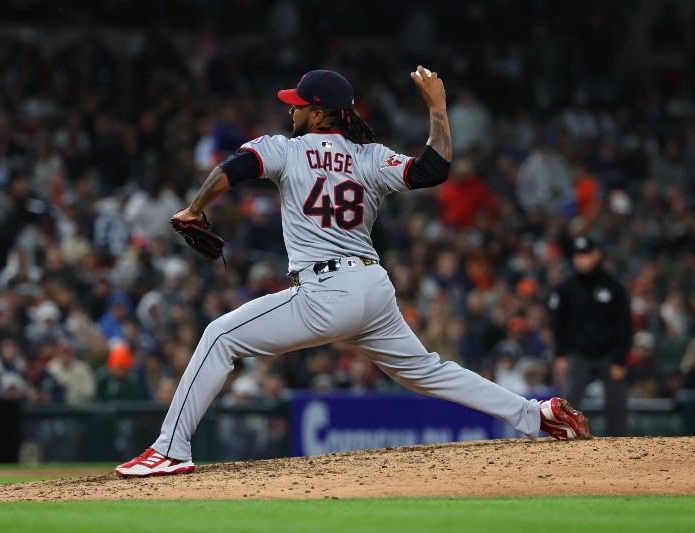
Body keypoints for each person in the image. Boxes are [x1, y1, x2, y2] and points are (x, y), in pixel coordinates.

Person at [116, 67, 591, 477]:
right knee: (427, 370)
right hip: (373, 287)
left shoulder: (286, 149)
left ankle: (168, 451)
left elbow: (234, 168)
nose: (293, 110)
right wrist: (438, 109)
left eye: (300, 105)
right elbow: (432, 170)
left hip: (326, 291)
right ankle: (535, 415)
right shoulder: (369, 157)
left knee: (220, 336)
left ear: (319, 114)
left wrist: (195, 209)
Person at [548, 236, 633, 436]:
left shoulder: (613, 286)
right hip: (578, 354)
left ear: (596, 255)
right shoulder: (566, 288)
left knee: (616, 404)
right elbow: (558, 325)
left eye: (585, 255)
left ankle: (619, 445)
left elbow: (624, 325)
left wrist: (620, 359)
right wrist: (560, 355)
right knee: (568, 402)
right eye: (577, 255)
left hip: (609, 355)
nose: (581, 260)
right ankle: (566, 441)